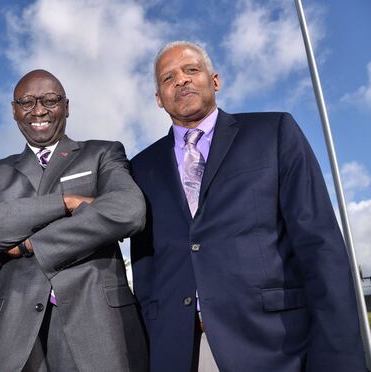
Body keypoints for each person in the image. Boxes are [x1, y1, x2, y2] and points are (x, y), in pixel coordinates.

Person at [130, 41, 368, 372]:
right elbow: (145, 268)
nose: (181, 80)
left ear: (215, 80)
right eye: (168, 78)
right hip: (179, 351)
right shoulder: (141, 167)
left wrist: (339, 359)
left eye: (191, 70)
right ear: (159, 99)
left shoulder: (274, 132)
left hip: (275, 347)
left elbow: (319, 245)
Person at [0, 69, 148, 372]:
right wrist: (65, 203)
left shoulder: (102, 153)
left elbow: (128, 210)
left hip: (96, 327)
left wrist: (29, 244)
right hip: (15, 336)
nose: (39, 110)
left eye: (50, 100)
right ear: (15, 111)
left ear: (66, 106)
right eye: (27, 102)